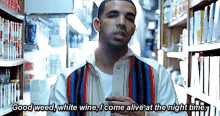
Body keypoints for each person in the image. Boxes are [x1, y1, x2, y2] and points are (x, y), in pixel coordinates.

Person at [47, 0, 188, 116]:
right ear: (97, 25)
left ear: (133, 29)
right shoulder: (68, 80)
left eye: (129, 18)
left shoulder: (156, 74)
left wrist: (145, 114)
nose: (121, 22)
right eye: (113, 15)